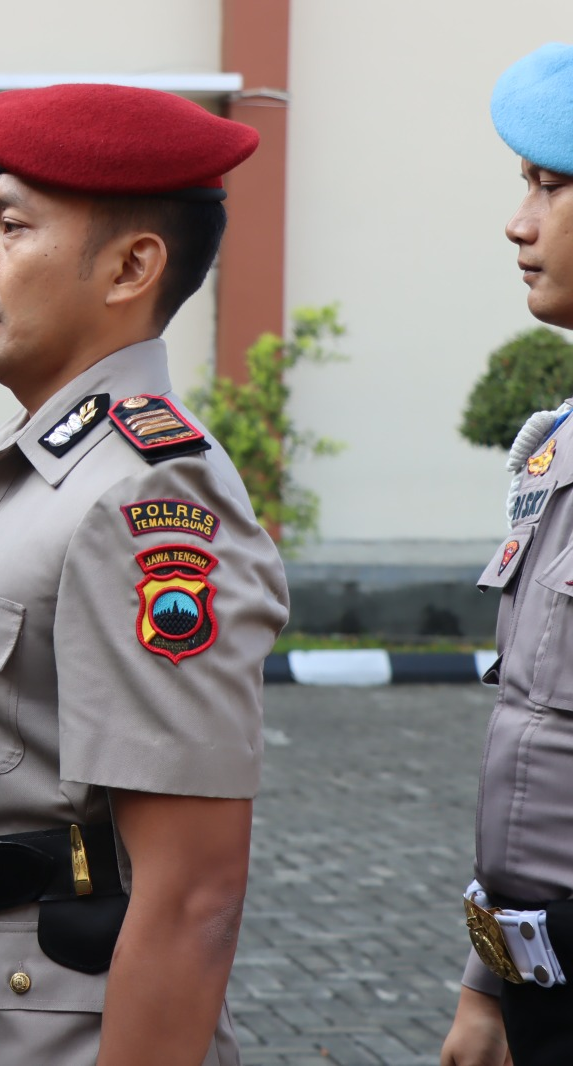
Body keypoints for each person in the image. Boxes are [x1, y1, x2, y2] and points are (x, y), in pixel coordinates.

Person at [0, 84, 290, 1066]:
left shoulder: (144, 494)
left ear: (132, 266)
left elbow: (192, 894)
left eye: (12, 225)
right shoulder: (34, 463)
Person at [441, 42, 573, 1066]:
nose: (516, 223)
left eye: (551, 185)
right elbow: (533, 726)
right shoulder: (553, 443)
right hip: (540, 978)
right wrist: (486, 984)